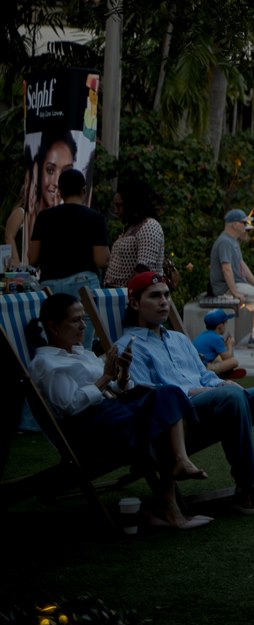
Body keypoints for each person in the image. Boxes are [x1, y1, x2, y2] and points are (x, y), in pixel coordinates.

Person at [118, 270, 254, 517]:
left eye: (167, 295)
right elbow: (147, 396)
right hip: (181, 422)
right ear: (135, 303)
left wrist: (219, 383)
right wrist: (200, 391)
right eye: (155, 296)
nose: (163, 302)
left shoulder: (179, 340)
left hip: (217, 402)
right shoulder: (128, 347)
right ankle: (247, 487)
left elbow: (204, 374)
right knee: (230, 398)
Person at [28, 292, 211, 530]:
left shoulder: (79, 352)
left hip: (111, 413)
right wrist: (105, 377)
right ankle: (170, 507)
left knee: (169, 393)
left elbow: (114, 388)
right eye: (75, 321)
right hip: (90, 430)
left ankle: (180, 465)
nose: (83, 326)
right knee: (163, 415)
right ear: (53, 326)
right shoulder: (46, 364)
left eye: (84, 319)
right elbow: (70, 405)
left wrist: (121, 375)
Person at [26, 169, 111, 341]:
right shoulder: (95, 218)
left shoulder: (44, 217)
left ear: (60, 191)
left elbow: (32, 258)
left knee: (54, 341)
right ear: (84, 190)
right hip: (83, 285)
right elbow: (101, 259)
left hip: (50, 286)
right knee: (82, 346)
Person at [8, 128, 78, 268]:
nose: (57, 181)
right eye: (50, 170)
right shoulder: (22, 212)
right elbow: (8, 236)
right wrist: (17, 266)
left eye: (65, 172)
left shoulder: (56, 216)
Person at [209, 209, 254, 348]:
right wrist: (234, 292)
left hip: (235, 284)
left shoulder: (233, 241)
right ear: (234, 224)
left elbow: (242, 264)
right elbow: (226, 269)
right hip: (226, 288)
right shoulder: (225, 242)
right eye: (243, 222)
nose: (245, 225)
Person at [104, 177, 167, 289]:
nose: (117, 211)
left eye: (119, 206)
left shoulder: (149, 226)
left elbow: (143, 269)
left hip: (133, 298)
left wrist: (129, 294)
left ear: (131, 203)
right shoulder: (132, 228)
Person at [193, 309, 246, 379]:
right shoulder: (216, 338)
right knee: (234, 362)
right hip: (203, 369)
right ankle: (222, 375)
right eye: (225, 323)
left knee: (218, 359)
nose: (225, 326)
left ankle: (224, 373)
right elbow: (227, 358)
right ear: (220, 326)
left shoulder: (204, 334)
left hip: (195, 366)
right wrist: (230, 345)